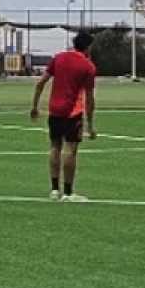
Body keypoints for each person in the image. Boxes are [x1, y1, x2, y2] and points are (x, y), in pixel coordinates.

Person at [30, 29, 99, 201]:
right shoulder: (88, 66)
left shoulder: (58, 57)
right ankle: (68, 192)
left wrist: (35, 106)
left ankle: (54, 190)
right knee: (70, 149)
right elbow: (90, 98)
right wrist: (90, 124)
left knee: (55, 147)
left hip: (55, 109)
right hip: (72, 111)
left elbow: (41, 82)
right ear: (88, 47)